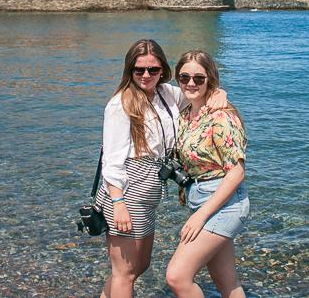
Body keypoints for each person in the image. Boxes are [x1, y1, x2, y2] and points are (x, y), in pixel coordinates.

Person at [95, 40, 227, 298]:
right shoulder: (120, 105)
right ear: (129, 71)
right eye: (139, 70)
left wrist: (219, 93)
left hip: (150, 189)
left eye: (153, 70)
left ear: (163, 71)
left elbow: (197, 93)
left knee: (137, 266)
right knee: (126, 272)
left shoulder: (167, 94)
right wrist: (118, 202)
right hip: (126, 190)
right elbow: (111, 161)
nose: (146, 75)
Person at [166, 50, 249, 298]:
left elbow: (237, 173)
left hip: (224, 203)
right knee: (227, 282)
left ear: (210, 79)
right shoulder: (184, 113)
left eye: (199, 78)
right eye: (184, 77)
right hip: (200, 198)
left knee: (177, 276)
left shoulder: (221, 116)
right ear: (178, 80)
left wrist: (200, 216)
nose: (191, 83)